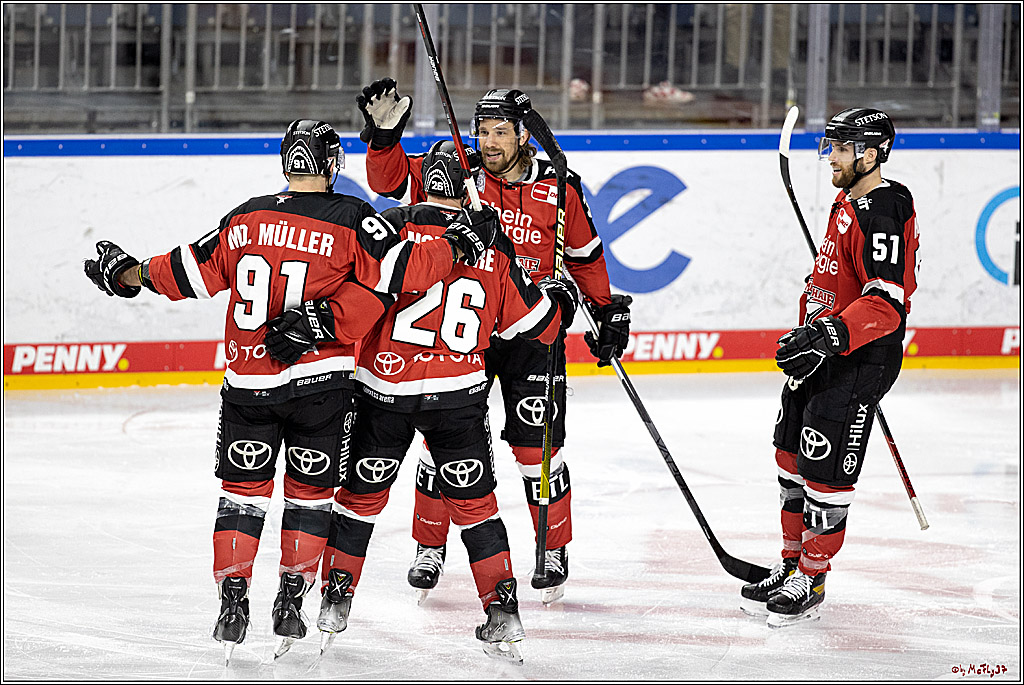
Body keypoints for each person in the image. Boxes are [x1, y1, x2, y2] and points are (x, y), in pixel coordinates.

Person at [82, 119, 500, 663]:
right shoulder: (354, 217)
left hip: (248, 385)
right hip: (320, 388)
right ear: (332, 164)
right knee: (309, 498)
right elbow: (405, 273)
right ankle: (291, 598)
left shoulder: (248, 214)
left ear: (286, 162)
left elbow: (187, 272)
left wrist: (127, 274)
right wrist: (462, 242)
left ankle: (233, 601)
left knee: (241, 498)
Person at [267, 140, 579, 663]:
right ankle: (501, 609)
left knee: (358, 501)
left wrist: (312, 326)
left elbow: (345, 293)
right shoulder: (495, 243)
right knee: (477, 507)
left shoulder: (387, 227)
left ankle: (335, 601)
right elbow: (538, 327)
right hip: (457, 397)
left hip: (380, 394)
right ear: (467, 187)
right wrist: (559, 297)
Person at [355, 77, 633, 603]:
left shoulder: (559, 188)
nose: (489, 143)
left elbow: (585, 255)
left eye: (501, 132)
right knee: (445, 447)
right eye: (483, 131)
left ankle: (552, 548)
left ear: (524, 135)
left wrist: (606, 313)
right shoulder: (457, 171)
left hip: (532, 328)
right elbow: (390, 183)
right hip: (466, 333)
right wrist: (384, 139)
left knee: (537, 450)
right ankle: (428, 548)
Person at [739, 108, 919, 627]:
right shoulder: (850, 200)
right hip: (821, 353)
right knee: (789, 458)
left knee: (824, 475)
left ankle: (812, 577)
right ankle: (792, 561)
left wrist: (830, 332)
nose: (831, 158)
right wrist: (813, 329)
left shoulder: (883, 209)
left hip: (858, 359)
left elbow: (887, 303)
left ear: (871, 152)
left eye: (841, 149)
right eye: (831, 147)